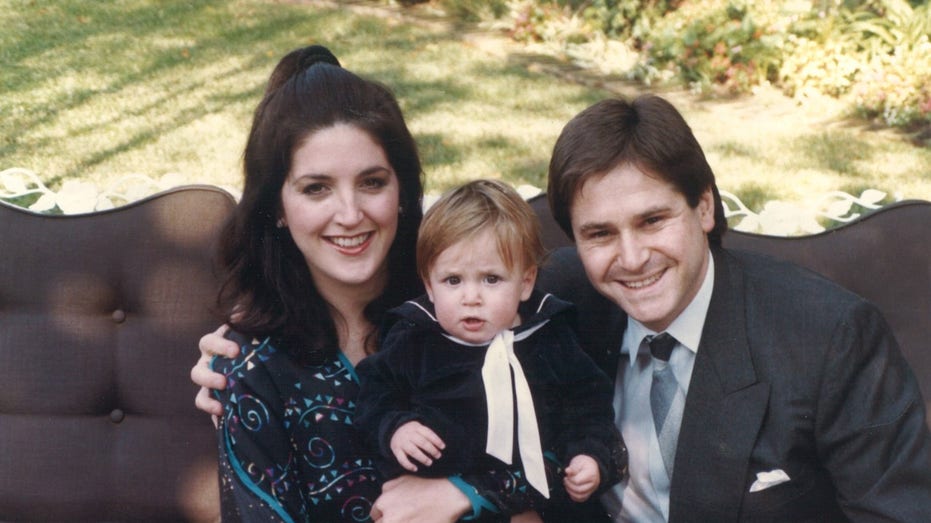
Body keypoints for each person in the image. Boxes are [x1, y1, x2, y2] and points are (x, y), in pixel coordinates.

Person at [537, 94, 931, 521]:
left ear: (703, 206)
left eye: (652, 221)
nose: (631, 258)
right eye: (600, 234)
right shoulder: (560, 302)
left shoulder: (831, 337)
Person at [199, 44, 546, 522]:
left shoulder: (463, 304)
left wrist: (467, 491)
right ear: (277, 207)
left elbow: (562, 445)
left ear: (403, 191)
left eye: (372, 182)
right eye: (316, 188)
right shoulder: (254, 369)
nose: (350, 214)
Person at [353, 180, 623, 522]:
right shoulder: (415, 340)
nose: (471, 297)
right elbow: (373, 395)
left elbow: (589, 406)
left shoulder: (549, 338)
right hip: (433, 498)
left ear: (525, 282)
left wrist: (590, 456)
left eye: (491, 279)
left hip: (533, 501)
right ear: (429, 285)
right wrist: (395, 428)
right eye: (453, 280)